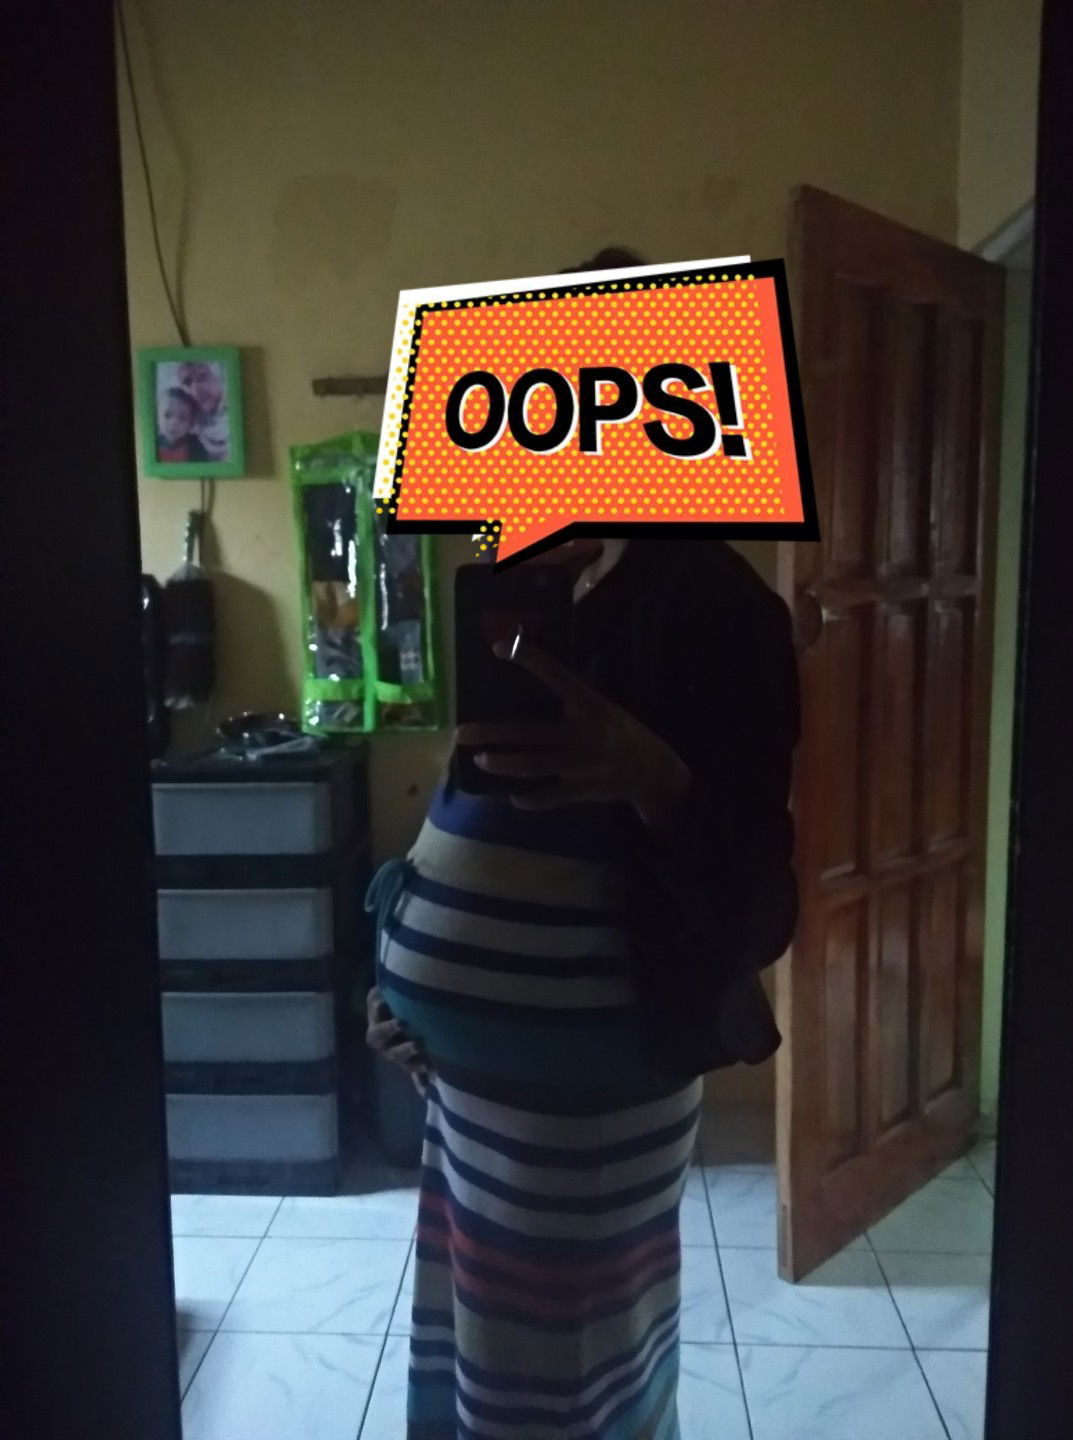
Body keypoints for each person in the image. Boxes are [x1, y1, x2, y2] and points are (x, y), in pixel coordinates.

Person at [364, 251, 800, 1440]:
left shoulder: (721, 609)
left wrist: (655, 778)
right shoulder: (537, 587)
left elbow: (760, 904)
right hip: (467, 1093)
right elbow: (470, 814)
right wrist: (396, 968)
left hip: (592, 1105)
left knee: (566, 1384)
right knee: (480, 1360)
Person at [177, 359, 230, 461]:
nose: (196, 390)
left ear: (217, 376)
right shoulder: (186, 426)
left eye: (203, 377)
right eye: (187, 383)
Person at [156, 386, 211, 463]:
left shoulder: (196, 445)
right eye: (167, 415)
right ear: (157, 416)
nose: (173, 423)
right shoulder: (152, 443)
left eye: (182, 418)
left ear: (191, 424)